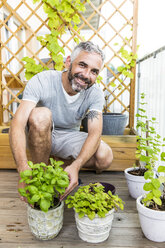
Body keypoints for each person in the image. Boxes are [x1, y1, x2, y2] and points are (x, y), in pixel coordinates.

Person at [9, 41, 113, 200]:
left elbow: (95, 132)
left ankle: (61, 167)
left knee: (105, 156)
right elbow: (17, 124)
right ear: (69, 61)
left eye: (94, 71)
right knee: (40, 115)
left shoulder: (95, 93)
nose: (86, 75)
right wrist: (23, 170)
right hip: (41, 132)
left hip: (68, 137)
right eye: (82, 65)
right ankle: (41, 173)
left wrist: (76, 166)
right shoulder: (43, 80)